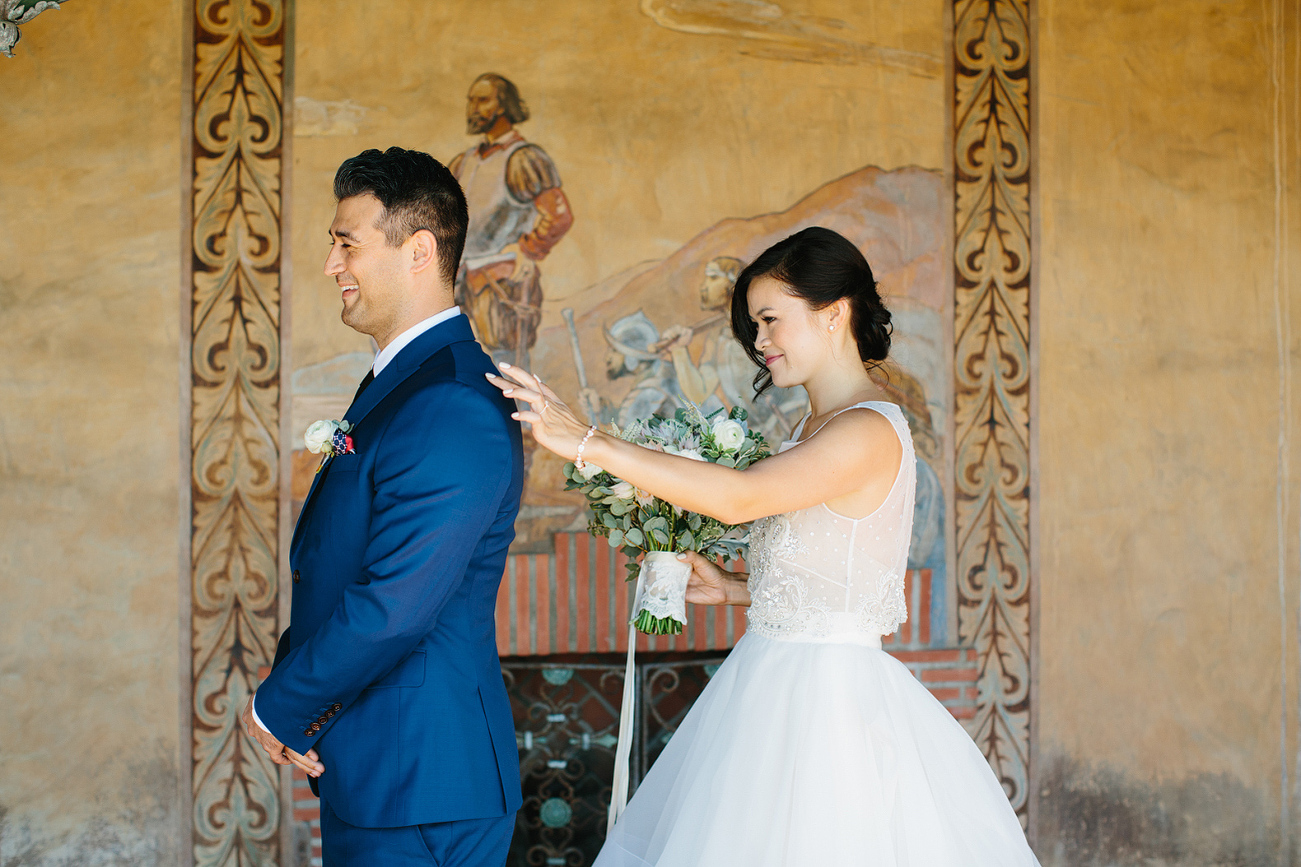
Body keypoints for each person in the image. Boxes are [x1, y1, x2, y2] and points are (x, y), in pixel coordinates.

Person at [488, 226, 1040, 866]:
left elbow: (741, 498)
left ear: (834, 314)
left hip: (823, 709)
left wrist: (589, 442)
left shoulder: (866, 430)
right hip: (771, 685)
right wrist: (733, 588)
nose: (760, 342)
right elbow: (838, 573)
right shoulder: (815, 427)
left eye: (772, 320)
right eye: (754, 325)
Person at [242, 147, 524, 866]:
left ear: (418, 251)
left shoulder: (451, 400)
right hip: (388, 771)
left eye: (347, 244)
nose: (332, 265)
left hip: (421, 783)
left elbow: (394, 604)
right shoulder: (406, 382)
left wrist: (279, 704)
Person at [449, 72, 574, 373]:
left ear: (503, 106)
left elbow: (558, 215)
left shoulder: (524, 158)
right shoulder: (463, 162)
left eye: (482, 100)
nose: (473, 108)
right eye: (470, 101)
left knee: (507, 370)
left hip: (501, 282)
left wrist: (527, 249)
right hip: (460, 282)